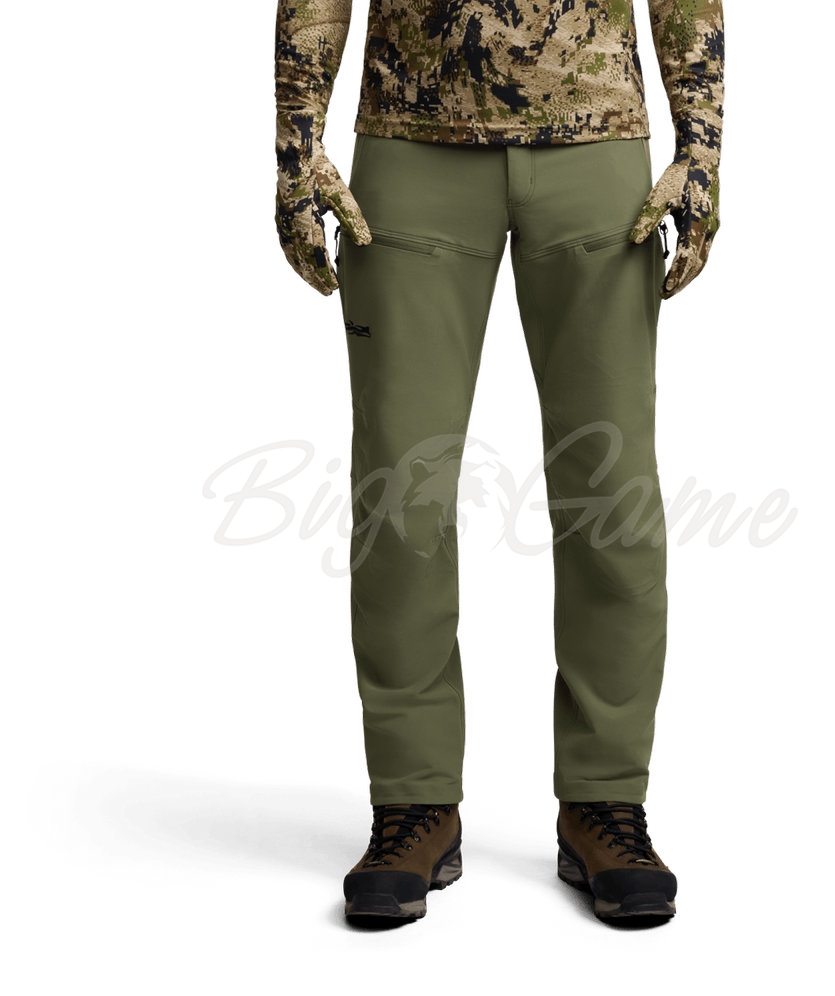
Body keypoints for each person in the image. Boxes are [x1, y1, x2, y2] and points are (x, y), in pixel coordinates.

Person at [274, 0, 724, 927]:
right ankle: (413, 802)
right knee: (401, 494)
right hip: (411, 140)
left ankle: (605, 798)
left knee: (611, 494)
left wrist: (702, 142)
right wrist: (296, 140)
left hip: (598, 144)